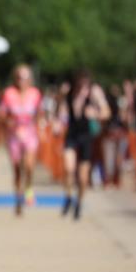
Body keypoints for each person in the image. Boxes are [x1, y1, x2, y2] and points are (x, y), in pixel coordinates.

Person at [57, 69, 111, 220]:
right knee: (68, 168)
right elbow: (60, 109)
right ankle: (68, 197)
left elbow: (107, 112)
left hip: (86, 135)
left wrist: (96, 114)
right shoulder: (69, 92)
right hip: (72, 133)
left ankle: (79, 202)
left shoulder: (94, 92)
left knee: (82, 177)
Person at [0, 64, 42, 214]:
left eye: (24, 77)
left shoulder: (35, 93)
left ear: (30, 79)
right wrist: (8, 122)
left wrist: (39, 128)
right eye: (19, 77)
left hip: (30, 133)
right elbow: (2, 115)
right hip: (14, 135)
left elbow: (39, 114)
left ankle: (29, 187)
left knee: (29, 166)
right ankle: (18, 198)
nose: (21, 80)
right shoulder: (9, 93)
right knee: (17, 169)